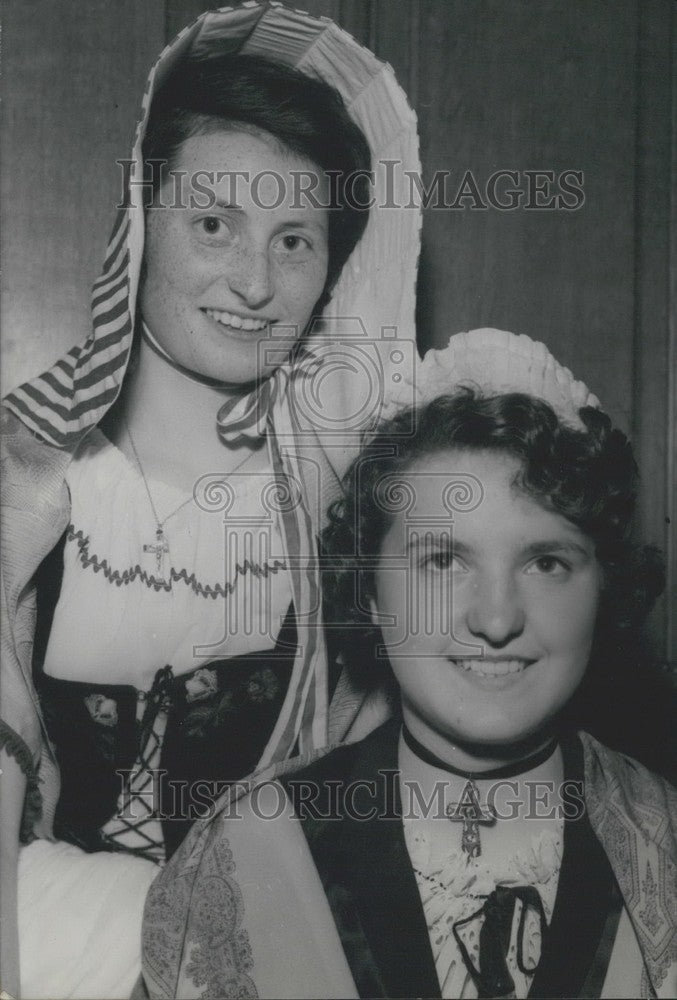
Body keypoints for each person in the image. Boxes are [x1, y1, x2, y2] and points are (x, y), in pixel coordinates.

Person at [0, 5, 421, 997]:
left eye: (294, 240)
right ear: (142, 225)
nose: (254, 281)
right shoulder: (21, 478)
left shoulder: (339, 512)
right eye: (213, 223)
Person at [141, 329, 676, 999]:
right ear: (367, 590)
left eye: (546, 563)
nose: (496, 618)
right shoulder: (248, 848)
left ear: (604, 588)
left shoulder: (664, 847)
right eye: (443, 561)